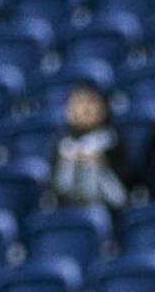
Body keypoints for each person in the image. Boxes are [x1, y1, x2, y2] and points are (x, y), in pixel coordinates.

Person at [49, 83, 130, 212]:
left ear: (103, 109)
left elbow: (126, 188)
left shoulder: (113, 141)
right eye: (77, 103)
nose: (83, 109)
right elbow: (55, 188)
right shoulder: (62, 143)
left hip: (106, 212)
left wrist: (102, 162)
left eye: (90, 102)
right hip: (67, 210)